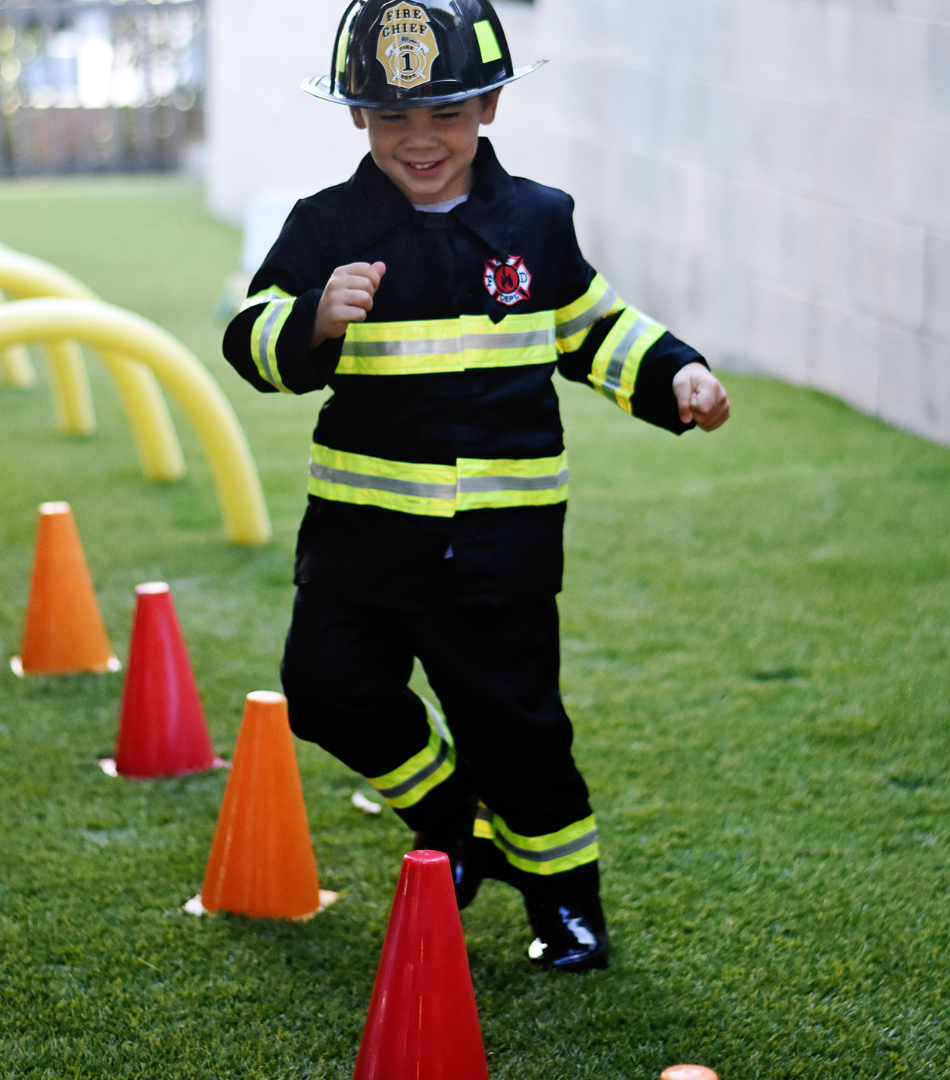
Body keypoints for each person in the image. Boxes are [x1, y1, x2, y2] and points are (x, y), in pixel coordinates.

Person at [222, 0, 729, 973]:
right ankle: (455, 823)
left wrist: (676, 376)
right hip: (362, 540)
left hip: (501, 545)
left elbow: (596, 330)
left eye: (446, 114)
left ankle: (566, 904)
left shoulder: (538, 222)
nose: (421, 139)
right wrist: (312, 323)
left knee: (519, 730)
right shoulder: (324, 226)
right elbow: (250, 339)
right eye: (393, 118)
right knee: (326, 689)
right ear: (356, 119)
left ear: (491, 104)